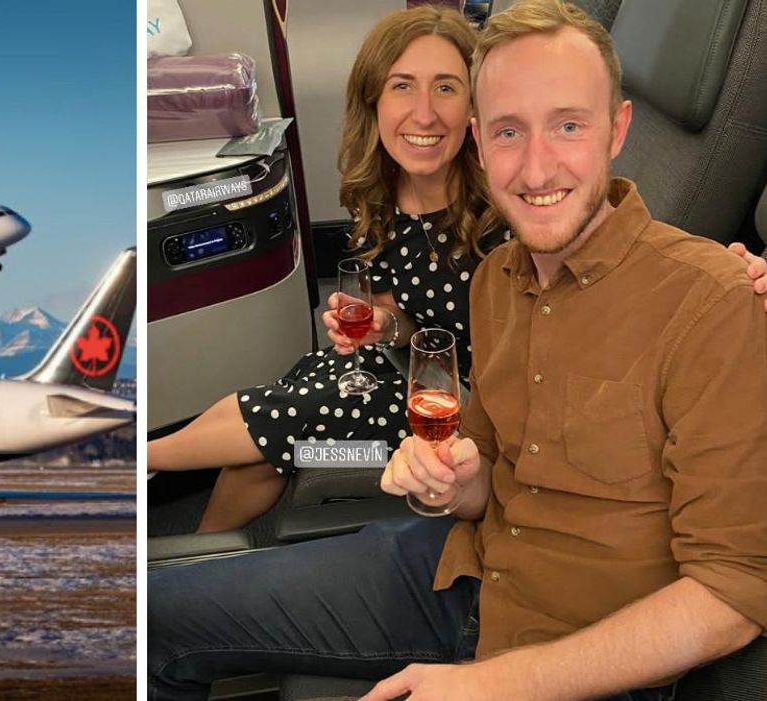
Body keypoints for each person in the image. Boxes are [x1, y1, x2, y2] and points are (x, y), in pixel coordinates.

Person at [148, 2, 767, 700]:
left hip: (573, 644)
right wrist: (449, 481)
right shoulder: (496, 283)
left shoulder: (710, 298)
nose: (535, 169)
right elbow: (484, 477)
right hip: (454, 570)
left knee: (274, 432)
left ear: (616, 128)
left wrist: (490, 683)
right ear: (480, 140)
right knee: (146, 618)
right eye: (508, 131)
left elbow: (732, 593)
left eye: (567, 125)